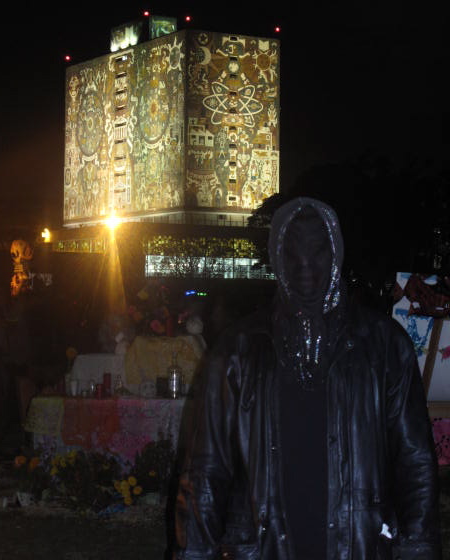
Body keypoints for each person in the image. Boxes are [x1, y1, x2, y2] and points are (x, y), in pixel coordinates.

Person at [173, 197, 441, 559]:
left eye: (316, 249)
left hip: (358, 547)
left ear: (335, 253)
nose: (304, 264)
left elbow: (414, 462)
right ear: (277, 256)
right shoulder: (237, 351)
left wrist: (418, 548)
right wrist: (193, 553)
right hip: (262, 547)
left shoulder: (384, 347)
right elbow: (205, 469)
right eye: (292, 250)